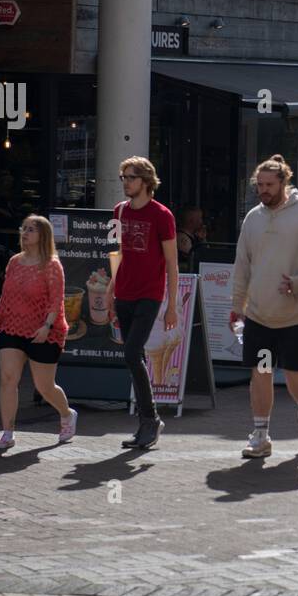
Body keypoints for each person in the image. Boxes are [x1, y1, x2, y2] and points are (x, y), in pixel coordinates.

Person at [231, 154, 298, 459]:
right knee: (261, 372)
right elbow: (242, 266)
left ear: (283, 182)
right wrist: (237, 306)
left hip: (296, 314)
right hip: (259, 315)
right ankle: (260, 434)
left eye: (269, 185)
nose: (263, 190)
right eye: (259, 185)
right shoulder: (253, 218)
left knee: (294, 372)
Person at [0, 215, 76, 451]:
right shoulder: (14, 262)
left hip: (44, 331)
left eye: (31, 230)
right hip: (12, 327)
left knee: (44, 386)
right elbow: (6, 295)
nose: (25, 233)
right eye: (23, 228)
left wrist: (47, 326)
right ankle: (7, 433)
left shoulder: (52, 265)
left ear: (43, 235)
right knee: (8, 378)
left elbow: (56, 300)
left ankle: (66, 414)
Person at [112, 157, 179, 450]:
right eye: (123, 177)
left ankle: (149, 418)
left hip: (150, 294)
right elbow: (117, 253)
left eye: (131, 177)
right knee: (132, 355)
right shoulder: (118, 211)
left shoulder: (162, 215)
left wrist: (173, 306)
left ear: (146, 181)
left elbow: (172, 264)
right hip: (123, 293)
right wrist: (111, 290)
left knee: (130, 353)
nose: (126, 182)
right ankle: (148, 422)